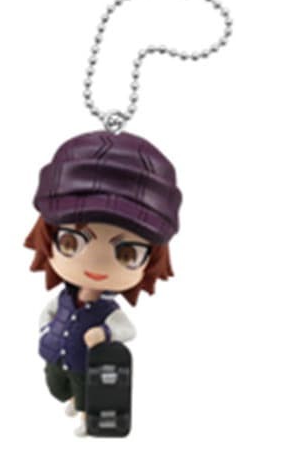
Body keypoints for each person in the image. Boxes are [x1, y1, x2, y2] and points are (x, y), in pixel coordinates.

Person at [25, 130, 182, 436]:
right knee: (57, 386)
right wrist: (46, 330)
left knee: (86, 389)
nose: (96, 264)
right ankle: (72, 400)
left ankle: (86, 415)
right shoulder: (63, 298)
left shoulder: (107, 310)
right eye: (71, 242)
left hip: (86, 363)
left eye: (127, 253)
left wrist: (106, 333)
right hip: (56, 354)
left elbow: (127, 330)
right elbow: (47, 312)